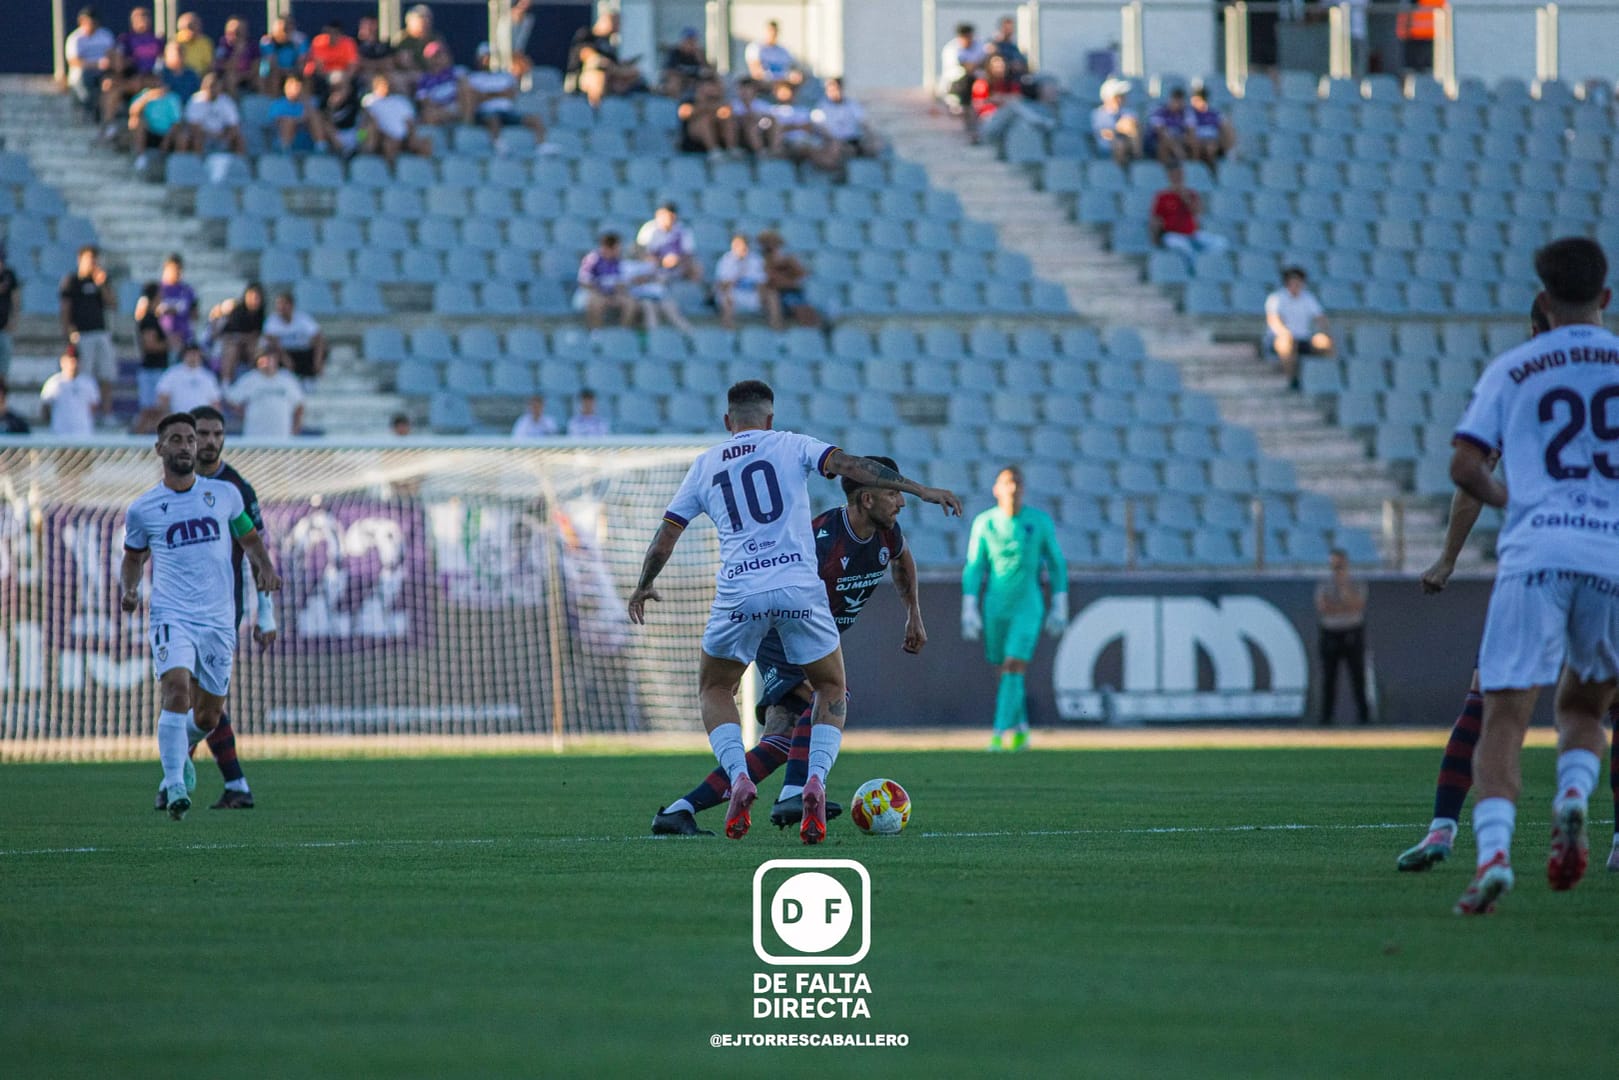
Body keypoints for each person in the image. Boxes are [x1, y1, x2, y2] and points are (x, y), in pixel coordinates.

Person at [626, 380, 961, 842]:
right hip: (799, 595)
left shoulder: (703, 466)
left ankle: (721, 788)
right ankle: (808, 785)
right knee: (830, 690)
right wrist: (921, 488)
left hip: (740, 592)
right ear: (769, 420)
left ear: (728, 423)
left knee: (719, 689)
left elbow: (667, 534)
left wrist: (643, 587)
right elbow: (850, 464)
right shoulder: (791, 445)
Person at [1450, 237, 1619, 914]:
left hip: (1535, 555)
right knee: (1585, 707)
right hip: (1610, 558)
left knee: (1503, 719)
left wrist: (1512, 500)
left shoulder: (1514, 368)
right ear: (1604, 297)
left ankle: (1493, 856)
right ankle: (1573, 796)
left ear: (1544, 302)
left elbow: (1464, 465)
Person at [653, 455, 927, 836]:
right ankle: (795, 792)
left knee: (782, 740)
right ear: (867, 499)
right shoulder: (821, 540)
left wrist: (913, 613)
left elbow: (902, 561)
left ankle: (680, 810)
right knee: (823, 698)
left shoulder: (887, 533)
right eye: (894, 493)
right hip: (782, 633)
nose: (902, 502)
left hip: (812, 639)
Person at [119, 412, 279, 818]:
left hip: (219, 619)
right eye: (177, 439)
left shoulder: (224, 494)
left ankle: (179, 756)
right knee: (176, 690)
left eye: (191, 439)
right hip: (172, 615)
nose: (187, 445)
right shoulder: (143, 509)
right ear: (160, 449)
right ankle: (174, 785)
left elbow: (250, 535)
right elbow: (133, 558)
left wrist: (265, 567)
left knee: (207, 715)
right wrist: (130, 588)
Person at [960, 466, 1068, 751]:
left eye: (1017, 483)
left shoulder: (1039, 522)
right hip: (995, 605)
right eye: (1007, 483)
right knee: (1003, 670)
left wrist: (1059, 603)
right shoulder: (985, 523)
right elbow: (975, 566)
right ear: (996, 489)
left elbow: (1055, 562)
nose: (1012, 488)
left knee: (1013, 665)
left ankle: (998, 734)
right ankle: (1020, 729)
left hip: (1028, 605)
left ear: (1023, 488)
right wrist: (969, 607)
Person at [59, 245, 117, 419]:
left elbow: (113, 304)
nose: (93, 263)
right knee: (85, 376)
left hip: (101, 333)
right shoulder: (72, 281)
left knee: (106, 375)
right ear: (80, 260)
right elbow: (65, 308)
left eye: (95, 259)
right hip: (82, 334)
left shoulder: (101, 281)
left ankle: (106, 414)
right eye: (89, 259)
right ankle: (85, 413)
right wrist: (68, 332)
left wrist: (102, 284)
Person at [1315, 548, 1369, 726]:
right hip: (1330, 632)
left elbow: (1357, 605)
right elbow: (1323, 607)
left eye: (1339, 565)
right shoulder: (1324, 583)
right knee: (1329, 677)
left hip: (1352, 631)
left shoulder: (1356, 582)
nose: (1336, 569)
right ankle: (1326, 717)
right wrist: (1343, 607)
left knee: (1358, 676)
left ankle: (1364, 717)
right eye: (1334, 565)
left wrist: (1344, 589)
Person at [1264, 266, 1334, 389]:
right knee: (1285, 344)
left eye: (1299, 281)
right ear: (1287, 283)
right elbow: (1274, 320)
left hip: (1304, 338)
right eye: (1293, 281)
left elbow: (1320, 318)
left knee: (1325, 342)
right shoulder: (1277, 298)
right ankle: (1292, 380)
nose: (1296, 285)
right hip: (1281, 339)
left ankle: (1327, 378)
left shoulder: (1308, 298)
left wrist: (1324, 332)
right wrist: (1285, 333)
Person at [1150, 162, 1228, 271]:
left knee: (1221, 243)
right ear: (1170, 176)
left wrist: (1184, 196)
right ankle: (1195, 269)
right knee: (1184, 247)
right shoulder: (1163, 196)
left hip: (1191, 234)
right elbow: (1155, 219)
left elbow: (1197, 212)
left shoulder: (1191, 194)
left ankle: (1204, 264)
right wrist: (1155, 238)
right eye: (1175, 175)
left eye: (1180, 174)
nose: (1179, 178)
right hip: (1172, 235)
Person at [567, 10, 643, 108]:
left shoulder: (610, 43)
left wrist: (623, 67)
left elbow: (613, 62)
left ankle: (617, 108)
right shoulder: (587, 34)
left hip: (611, 79)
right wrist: (617, 69)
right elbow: (592, 58)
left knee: (633, 72)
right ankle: (596, 110)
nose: (618, 27)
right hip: (583, 79)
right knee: (599, 74)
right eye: (616, 22)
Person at [227, 347, 304, 438]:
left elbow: (299, 406)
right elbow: (231, 400)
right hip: (254, 436)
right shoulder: (250, 378)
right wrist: (245, 414)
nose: (268, 362)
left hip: (282, 438)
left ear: (276, 360)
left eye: (271, 359)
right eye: (265, 359)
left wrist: (295, 429)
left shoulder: (287, 380)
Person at [261, 291, 327, 382]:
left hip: (301, 352)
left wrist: (318, 361)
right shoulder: (272, 320)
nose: (281, 307)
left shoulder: (302, 318)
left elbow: (318, 337)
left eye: (284, 304)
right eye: (279, 304)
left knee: (320, 349)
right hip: (282, 353)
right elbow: (272, 341)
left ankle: (310, 378)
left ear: (291, 305)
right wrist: (285, 358)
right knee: (271, 354)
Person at [64, 7, 117, 120]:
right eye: (87, 21)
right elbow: (73, 61)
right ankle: (88, 109)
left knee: (110, 82)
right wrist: (96, 64)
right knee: (84, 80)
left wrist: (107, 63)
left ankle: (105, 114)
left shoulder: (105, 35)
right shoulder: (75, 38)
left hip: (104, 71)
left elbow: (112, 54)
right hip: (83, 73)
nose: (90, 24)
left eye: (92, 21)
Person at [758, 230, 817, 330]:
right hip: (778, 294)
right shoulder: (762, 261)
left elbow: (802, 274)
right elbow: (771, 280)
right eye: (769, 243)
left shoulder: (789, 259)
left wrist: (788, 265)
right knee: (798, 308)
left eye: (775, 243)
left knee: (807, 310)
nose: (773, 246)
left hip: (793, 292)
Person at [209, 282, 266, 384]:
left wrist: (247, 338)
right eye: (251, 296)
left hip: (248, 346)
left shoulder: (261, 313)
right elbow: (229, 335)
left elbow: (256, 335)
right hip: (230, 345)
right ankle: (225, 383)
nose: (254, 300)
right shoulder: (238, 311)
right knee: (232, 350)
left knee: (255, 349)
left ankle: (256, 380)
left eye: (257, 297)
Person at [40, 344, 101, 437]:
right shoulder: (53, 383)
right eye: (70, 360)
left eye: (76, 360)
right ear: (62, 361)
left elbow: (93, 407)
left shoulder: (88, 383)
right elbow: (45, 409)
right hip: (60, 436)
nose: (73, 364)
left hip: (83, 435)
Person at [575, 232, 631, 329]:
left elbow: (623, 282)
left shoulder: (619, 262)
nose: (620, 250)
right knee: (597, 302)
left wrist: (615, 292)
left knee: (630, 303)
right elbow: (583, 282)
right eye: (617, 247)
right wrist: (601, 292)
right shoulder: (593, 259)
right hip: (591, 293)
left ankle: (623, 332)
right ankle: (596, 333)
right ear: (609, 247)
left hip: (611, 294)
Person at [636, 202, 702, 283]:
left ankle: (693, 292)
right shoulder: (649, 229)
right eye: (662, 215)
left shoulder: (683, 230)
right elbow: (641, 252)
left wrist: (677, 260)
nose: (664, 219)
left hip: (678, 265)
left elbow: (688, 253)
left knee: (696, 267)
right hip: (655, 266)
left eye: (668, 216)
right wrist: (662, 261)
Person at [182, 72, 245, 153]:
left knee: (239, 138)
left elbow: (234, 125)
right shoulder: (195, 101)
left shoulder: (227, 102)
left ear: (221, 88)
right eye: (211, 86)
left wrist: (226, 137)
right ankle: (198, 162)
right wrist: (212, 135)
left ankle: (239, 163)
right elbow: (193, 126)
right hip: (203, 136)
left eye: (216, 86)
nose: (213, 89)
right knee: (196, 138)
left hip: (222, 136)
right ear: (203, 87)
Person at [714, 232, 766, 329]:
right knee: (726, 296)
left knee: (772, 296)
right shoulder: (726, 260)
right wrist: (738, 273)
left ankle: (775, 330)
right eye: (736, 245)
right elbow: (722, 285)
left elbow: (761, 283)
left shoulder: (756, 260)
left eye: (742, 245)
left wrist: (761, 296)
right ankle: (729, 329)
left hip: (751, 295)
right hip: (732, 294)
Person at [154, 343, 221, 415]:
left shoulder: (208, 376)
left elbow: (215, 402)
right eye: (190, 353)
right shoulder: (172, 373)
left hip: (201, 419)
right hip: (178, 418)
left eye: (196, 354)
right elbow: (163, 396)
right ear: (184, 355)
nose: (193, 356)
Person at [132, 281, 168, 411]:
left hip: (156, 369)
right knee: (149, 411)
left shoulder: (153, 318)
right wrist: (170, 343)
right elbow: (150, 345)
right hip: (152, 370)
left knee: (157, 411)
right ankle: (136, 432)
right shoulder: (149, 319)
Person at [937, 23, 985, 112]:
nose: (967, 40)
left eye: (969, 37)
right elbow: (964, 67)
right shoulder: (951, 48)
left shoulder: (979, 46)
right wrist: (974, 65)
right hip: (956, 84)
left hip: (976, 81)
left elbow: (983, 63)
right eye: (965, 37)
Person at [1091, 78, 1140, 166]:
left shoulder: (1129, 112)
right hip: (1107, 146)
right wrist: (1119, 128)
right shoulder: (1098, 114)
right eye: (1117, 96)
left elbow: (1135, 130)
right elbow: (1104, 133)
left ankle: (1137, 163)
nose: (1121, 99)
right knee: (1119, 144)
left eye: (1122, 96)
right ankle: (1122, 172)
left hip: (1128, 144)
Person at [1186, 83, 1235, 170]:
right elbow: (1191, 131)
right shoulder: (1190, 114)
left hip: (1213, 142)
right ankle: (1198, 168)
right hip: (1197, 143)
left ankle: (1212, 170)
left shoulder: (1215, 114)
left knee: (1212, 145)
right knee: (1207, 146)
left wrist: (1225, 142)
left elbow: (1226, 128)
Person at [1146, 85, 1192, 165]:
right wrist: (1176, 148)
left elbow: (1191, 131)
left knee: (1194, 142)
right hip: (1155, 142)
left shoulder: (1185, 113)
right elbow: (1161, 132)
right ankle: (1166, 170)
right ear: (1171, 100)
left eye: (1181, 101)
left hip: (1177, 141)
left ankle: (1192, 169)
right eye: (1176, 101)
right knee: (1164, 144)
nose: (1179, 104)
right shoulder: (1159, 111)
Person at [744, 20, 800, 84]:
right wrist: (783, 77)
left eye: (775, 31)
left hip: (782, 86)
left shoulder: (784, 51)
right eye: (770, 30)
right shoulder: (755, 48)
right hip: (762, 86)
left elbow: (793, 69)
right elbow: (756, 73)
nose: (772, 33)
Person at [0, 247, 17, 381]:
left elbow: (15, 298)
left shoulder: (9, 275)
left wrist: (13, 319)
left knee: (4, 367)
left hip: (4, 327)